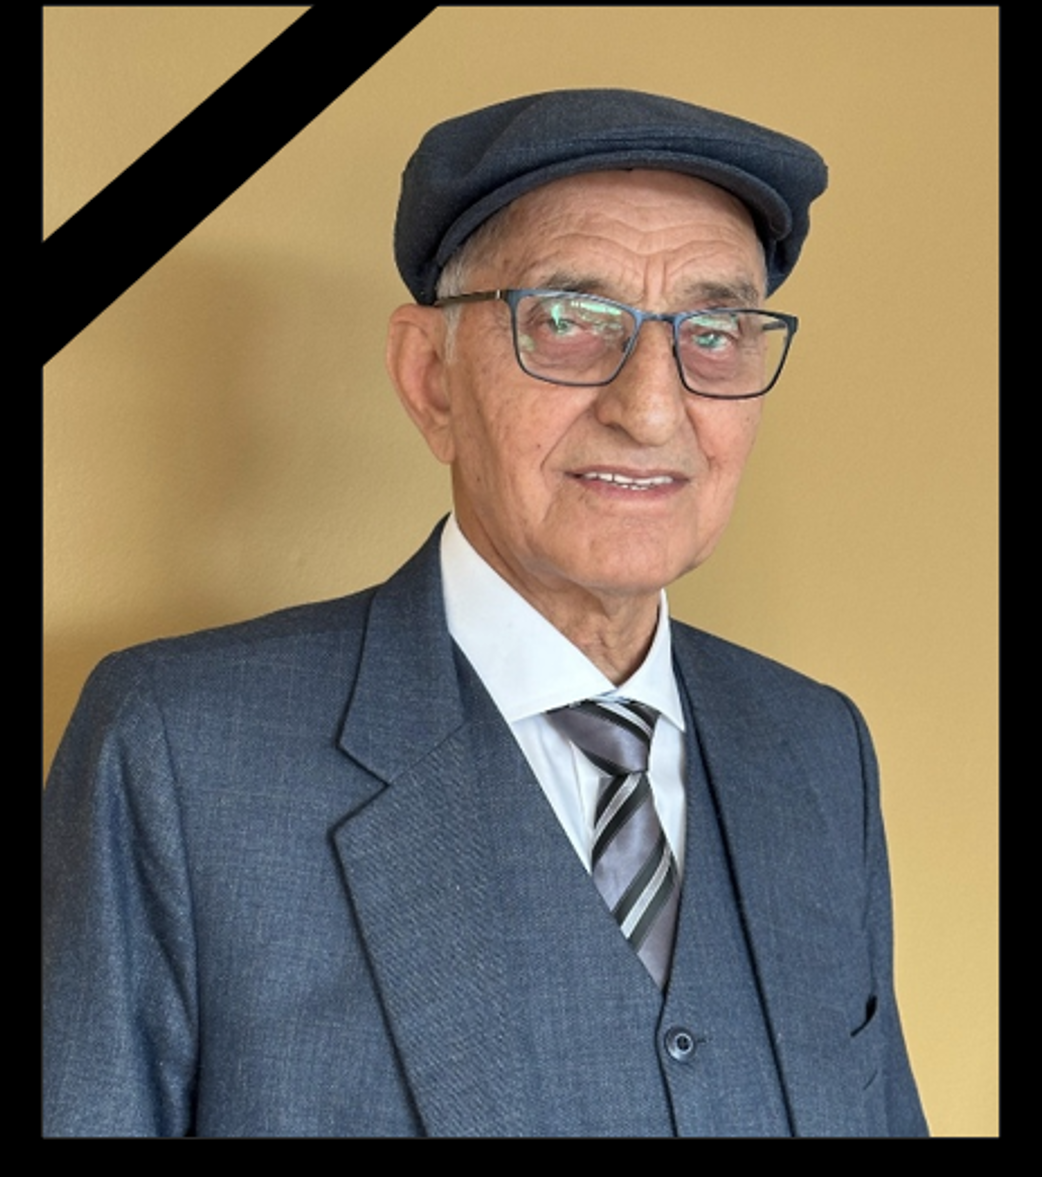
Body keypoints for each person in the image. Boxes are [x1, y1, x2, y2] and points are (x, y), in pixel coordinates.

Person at [43, 88, 928, 1137]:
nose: (652, 409)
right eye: (568, 321)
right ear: (432, 380)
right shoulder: (180, 752)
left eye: (715, 330)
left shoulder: (818, 750)